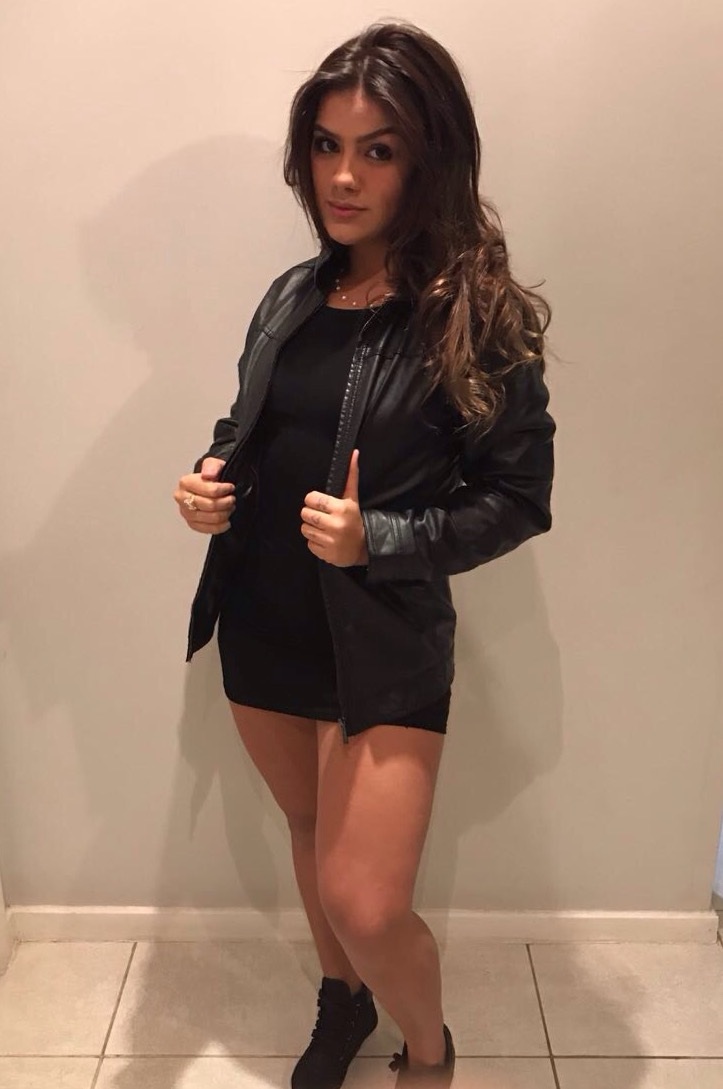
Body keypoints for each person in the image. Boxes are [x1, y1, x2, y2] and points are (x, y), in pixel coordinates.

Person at [173, 20, 555, 1089]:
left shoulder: (474, 317)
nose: (343, 176)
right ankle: (341, 1000)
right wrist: (212, 478)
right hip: (264, 617)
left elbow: (518, 500)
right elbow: (252, 425)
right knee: (308, 830)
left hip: (380, 640)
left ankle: (427, 1052)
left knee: (368, 899)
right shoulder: (293, 295)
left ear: (427, 159)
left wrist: (379, 536)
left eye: (377, 150)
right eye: (327, 146)